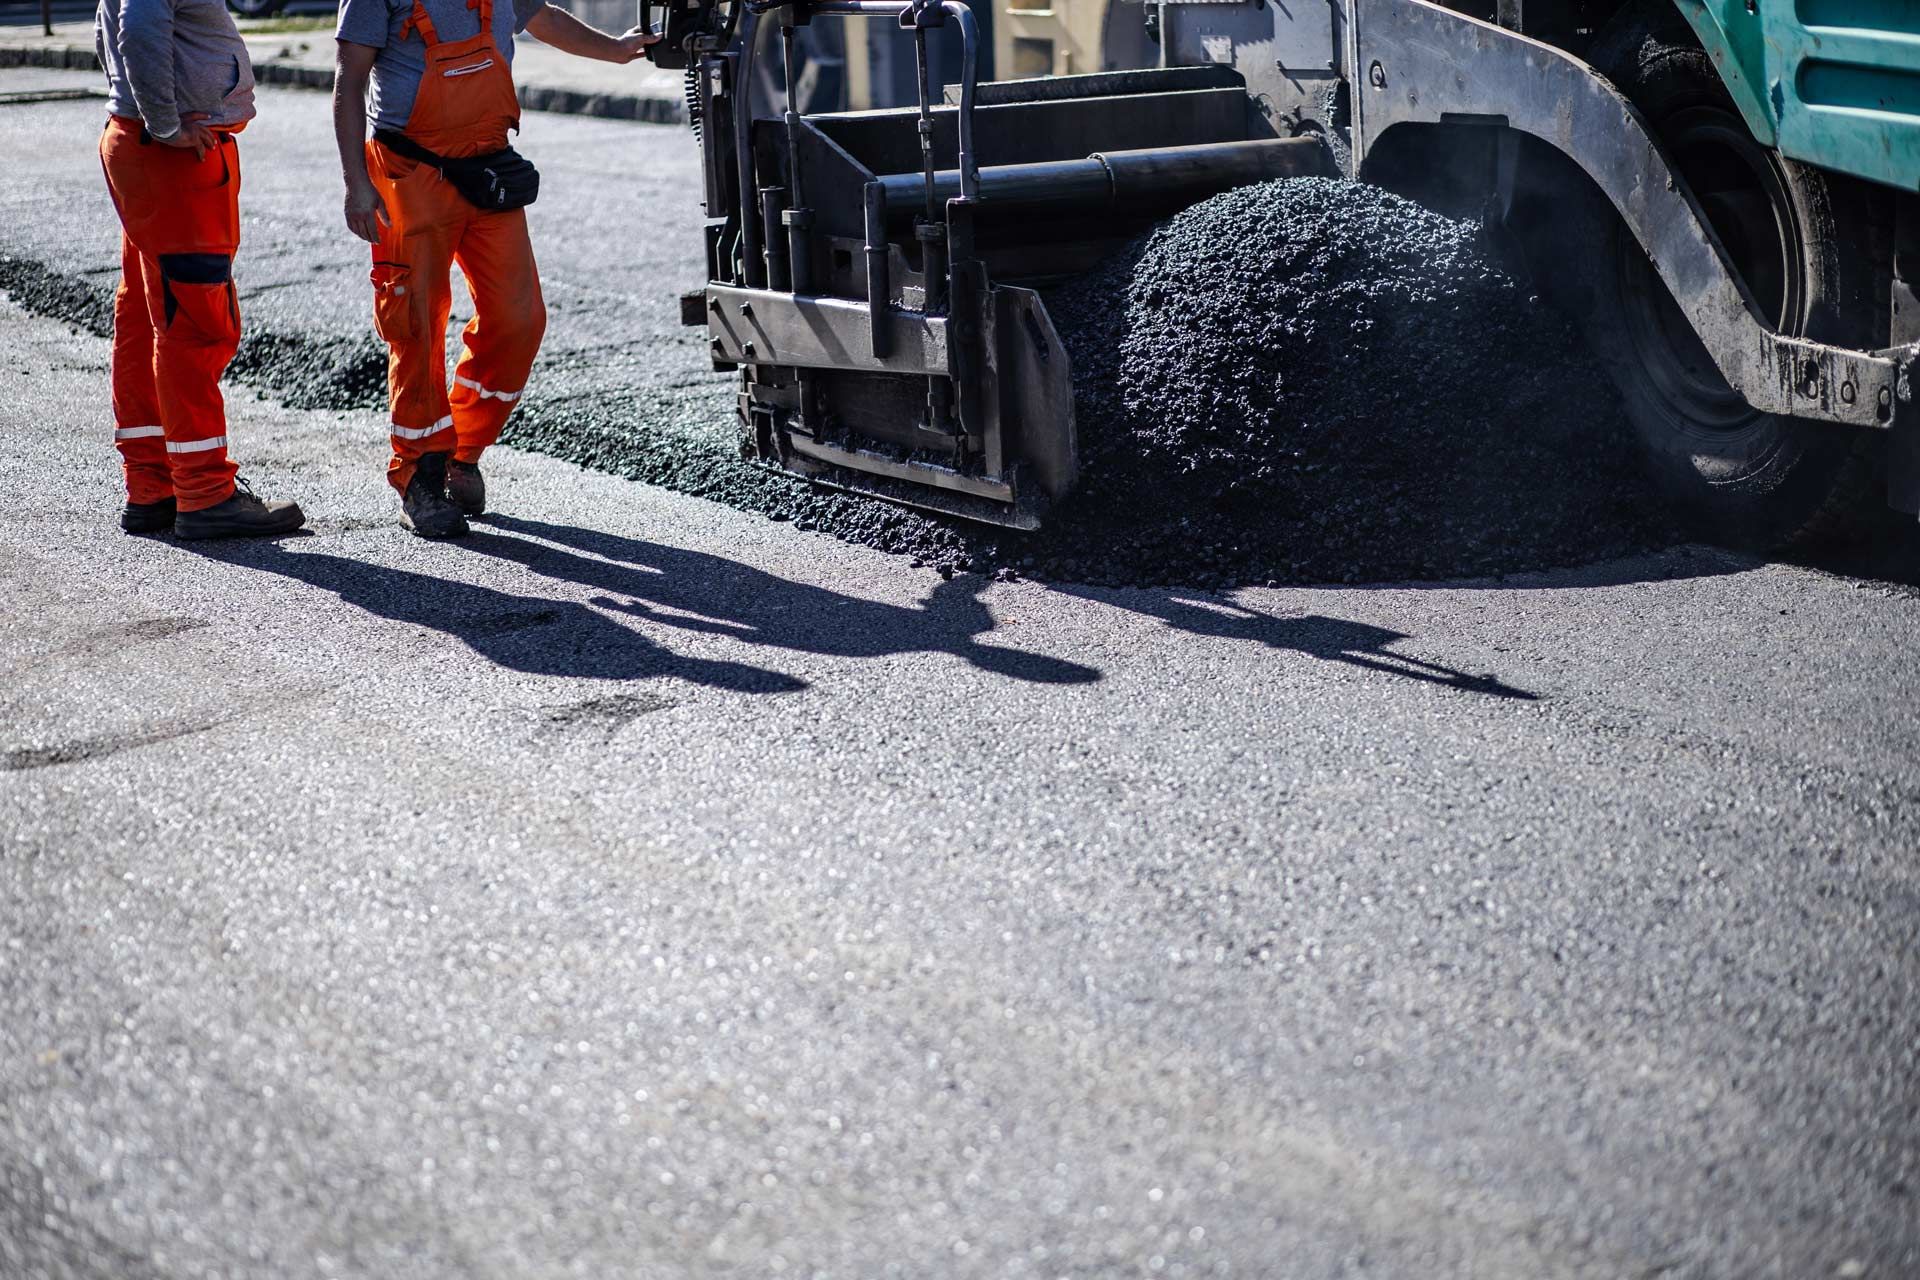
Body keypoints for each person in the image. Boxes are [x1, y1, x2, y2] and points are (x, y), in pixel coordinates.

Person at [332, 0, 655, 538]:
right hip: (409, 172)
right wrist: (355, 185)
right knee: (415, 325)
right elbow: (349, 77)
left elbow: (540, 16)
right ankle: (419, 475)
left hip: (486, 168)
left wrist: (616, 51)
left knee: (518, 319)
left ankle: (462, 449)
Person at [97, 0, 305, 538]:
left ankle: (153, 485)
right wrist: (165, 124)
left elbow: (118, 34)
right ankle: (205, 491)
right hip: (173, 157)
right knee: (196, 322)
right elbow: (138, 29)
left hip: (142, 145)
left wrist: (146, 116)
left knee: (147, 315)